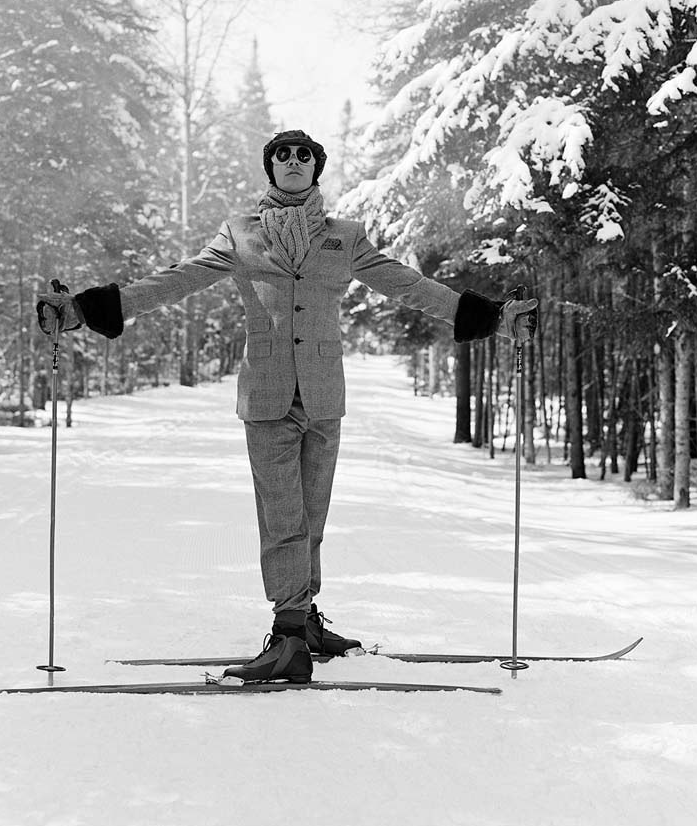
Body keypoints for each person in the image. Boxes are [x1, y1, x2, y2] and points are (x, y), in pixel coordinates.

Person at [37, 129, 538, 684]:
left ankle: (303, 619)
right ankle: (289, 635)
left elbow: (407, 285)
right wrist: (85, 309)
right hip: (268, 396)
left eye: (304, 155)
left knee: (312, 517)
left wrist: (493, 315)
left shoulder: (344, 237)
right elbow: (175, 281)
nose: (293, 161)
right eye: (283, 155)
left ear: (316, 169)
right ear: (270, 168)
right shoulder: (241, 235)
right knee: (282, 519)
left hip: (324, 395)